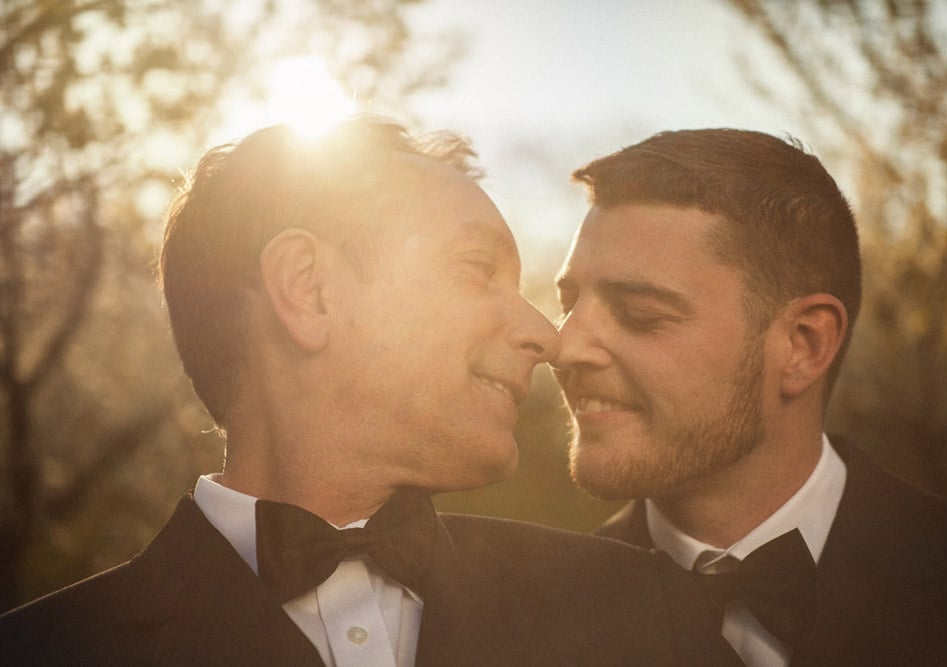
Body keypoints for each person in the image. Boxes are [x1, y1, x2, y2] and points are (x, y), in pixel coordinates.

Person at [0, 117, 740, 666]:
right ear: (311, 291)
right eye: (477, 269)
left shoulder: (645, 614)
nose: (546, 337)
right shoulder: (46, 651)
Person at [553, 128, 947, 666]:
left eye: (641, 316)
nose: (565, 347)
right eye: (568, 305)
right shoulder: (527, 619)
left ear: (804, 345)